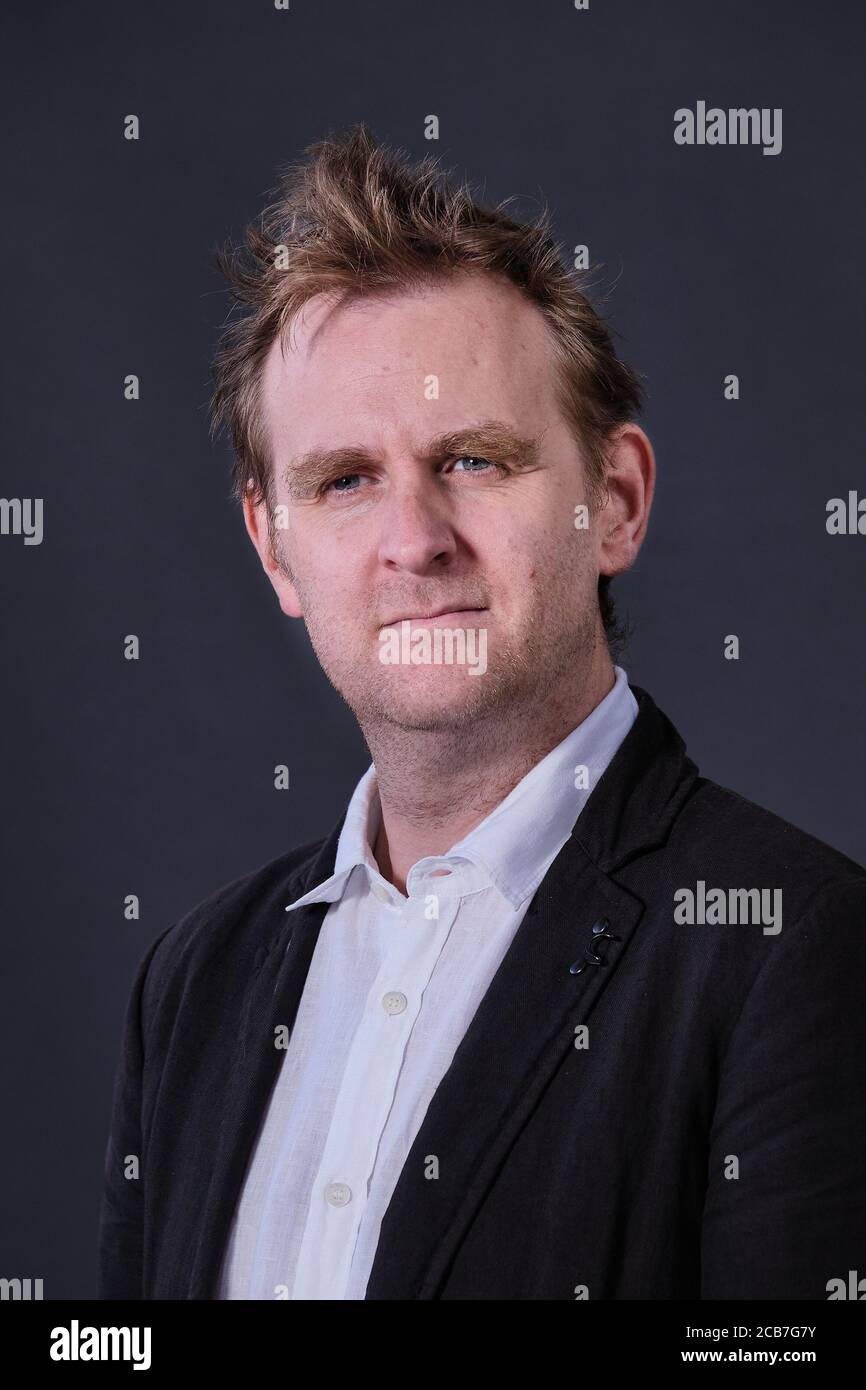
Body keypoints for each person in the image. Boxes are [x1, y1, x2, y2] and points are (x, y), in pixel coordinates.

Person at [97, 124, 866, 1301]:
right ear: (274, 546)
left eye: (473, 460)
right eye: (343, 479)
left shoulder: (793, 948)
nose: (414, 540)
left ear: (612, 503)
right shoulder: (194, 982)